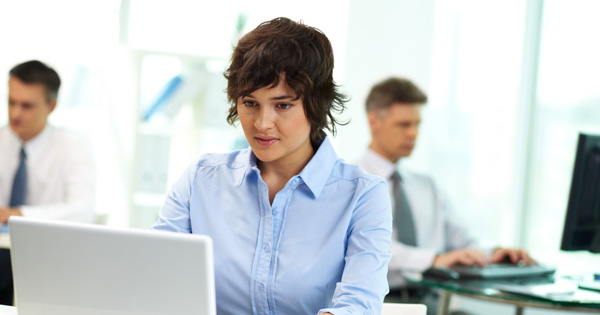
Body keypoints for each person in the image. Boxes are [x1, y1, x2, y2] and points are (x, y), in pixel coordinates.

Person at [152, 17, 392, 315]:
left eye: (283, 105)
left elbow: (359, 305)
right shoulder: (201, 179)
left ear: (315, 105)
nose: (262, 124)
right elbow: (156, 277)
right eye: (250, 103)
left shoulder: (363, 196)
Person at [355, 77, 534, 312]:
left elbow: (462, 242)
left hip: (432, 303)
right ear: (373, 121)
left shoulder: (425, 186)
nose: (413, 134)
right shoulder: (351, 182)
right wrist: (434, 259)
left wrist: (494, 253)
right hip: (378, 306)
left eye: (417, 124)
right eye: (403, 124)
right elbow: (367, 248)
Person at [0, 60, 96, 305]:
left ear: (51, 106)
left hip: (48, 258)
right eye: (11, 102)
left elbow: (83, 209)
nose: (15, 113)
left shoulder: (73, 146)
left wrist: (19, 214)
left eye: (27, 106)